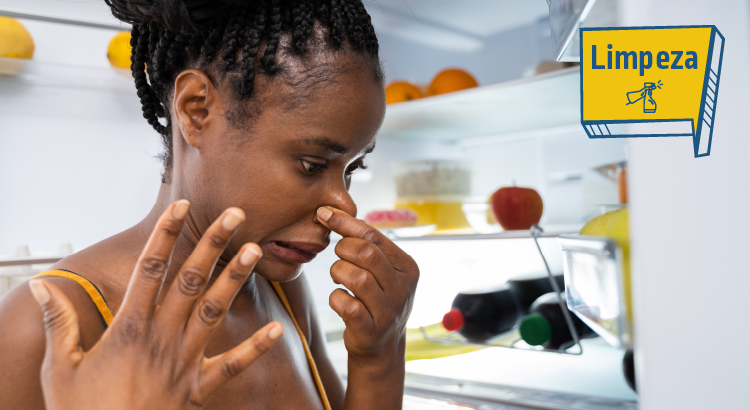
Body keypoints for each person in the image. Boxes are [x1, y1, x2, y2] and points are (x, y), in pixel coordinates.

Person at [0, 0, 420, 409]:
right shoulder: (46, 324)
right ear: (196, 109)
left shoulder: (282, 290)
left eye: (352, 168)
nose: (345, 203)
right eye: (312, 164)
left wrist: (379, 359)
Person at [30, 203, 285, 410]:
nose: (327, 202)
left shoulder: (277, 281)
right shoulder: (32, 322)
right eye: (311, 165)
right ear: (195, 135)